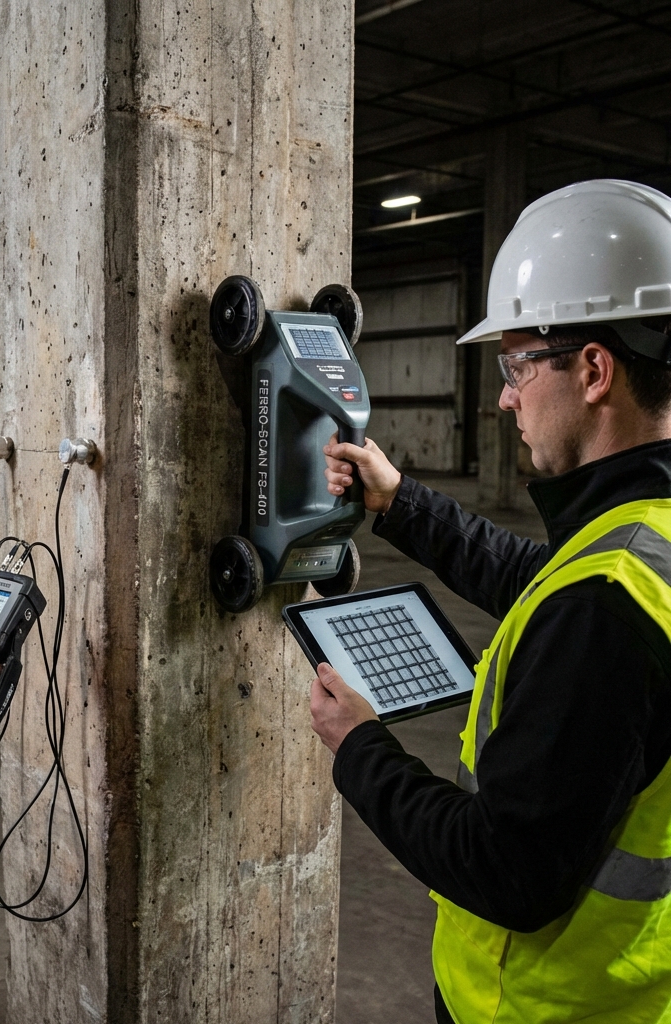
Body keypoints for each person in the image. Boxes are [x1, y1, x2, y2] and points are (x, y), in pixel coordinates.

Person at [310, 179, 671, 1024]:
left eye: (516, 365)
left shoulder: (606, 608)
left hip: (547, 1007)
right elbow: (536, 579)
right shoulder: (639, 540)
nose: (504, 394)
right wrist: (398, 500)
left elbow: (507, 871)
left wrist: (361, 748)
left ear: (592, 369)